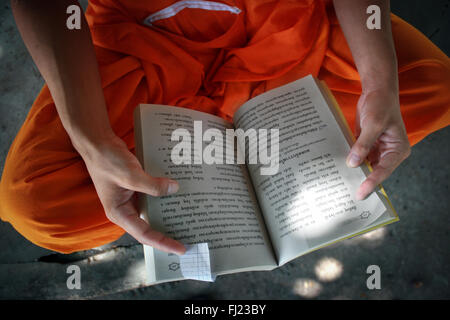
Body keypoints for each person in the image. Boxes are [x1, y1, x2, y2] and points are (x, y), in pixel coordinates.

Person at [1, 0, 449, 255]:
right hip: (140, 45)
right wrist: (93, 138)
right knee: (38, 205)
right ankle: (168, 199)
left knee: (431, 86)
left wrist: (378, 85)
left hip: (284, 29)